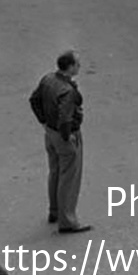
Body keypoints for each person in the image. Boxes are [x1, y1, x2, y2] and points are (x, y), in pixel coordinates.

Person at [29, 50, 90, 234]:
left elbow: (34, 99)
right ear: (70, 67)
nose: (79, 66)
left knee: (55, 171)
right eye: (77, 64)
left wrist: (44, 121)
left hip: (50, 132)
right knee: (69, 177)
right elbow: (65, 117)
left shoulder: (48, 79)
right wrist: (67, 135)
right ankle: (68, 220)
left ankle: (54, 210)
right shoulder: (67, 91)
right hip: (64, 135)